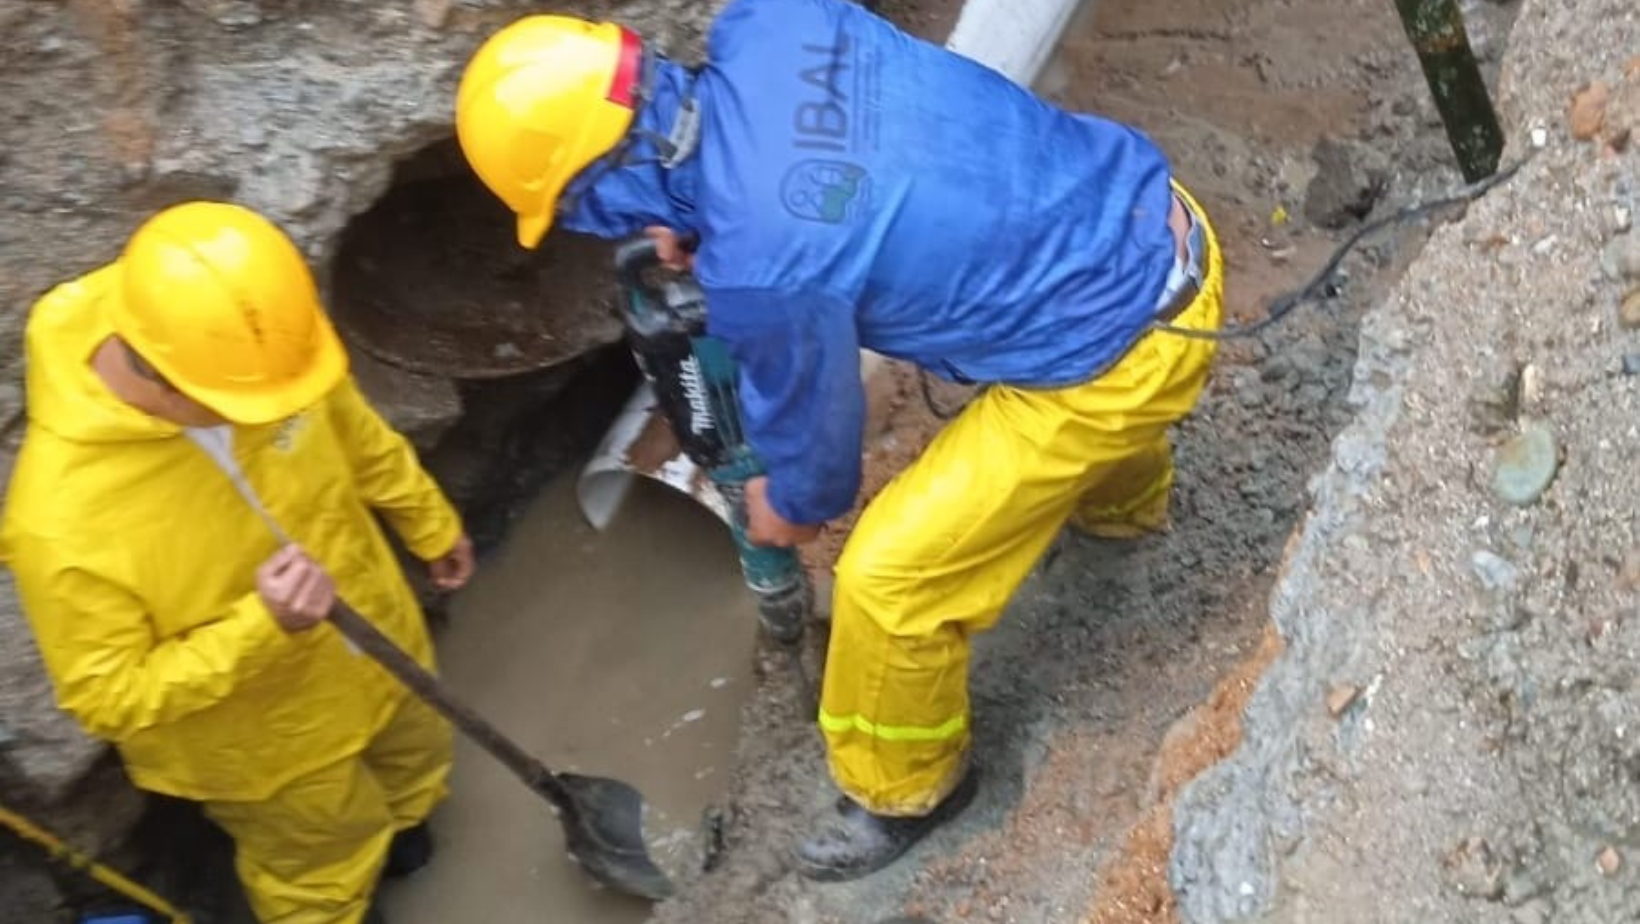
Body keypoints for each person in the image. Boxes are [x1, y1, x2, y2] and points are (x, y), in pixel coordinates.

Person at [454, 0, 1223, 881]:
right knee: (1054, 374)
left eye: (581, 207)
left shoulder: (763, 269)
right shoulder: (772, 24)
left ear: (602, 179)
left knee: (887, 583)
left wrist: (777, 507)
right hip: (1146, 221)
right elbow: (822, 159)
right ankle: (1124, 516)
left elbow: (818, 475)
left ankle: (910, 789)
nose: (597, 226)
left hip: (1119, 359)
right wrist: (713, 202)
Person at [0, 201, 475, 924]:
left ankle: (407, 828)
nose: (270, 415)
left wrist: (429, 522)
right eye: (246, 407)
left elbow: (356, 433)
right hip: (269, 744)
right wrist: (261, 628)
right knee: (323, 856)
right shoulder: (63, 524)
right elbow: (110, 696)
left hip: (379, 637)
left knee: (416, 752)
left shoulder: (249, 344)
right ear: (163, 380)